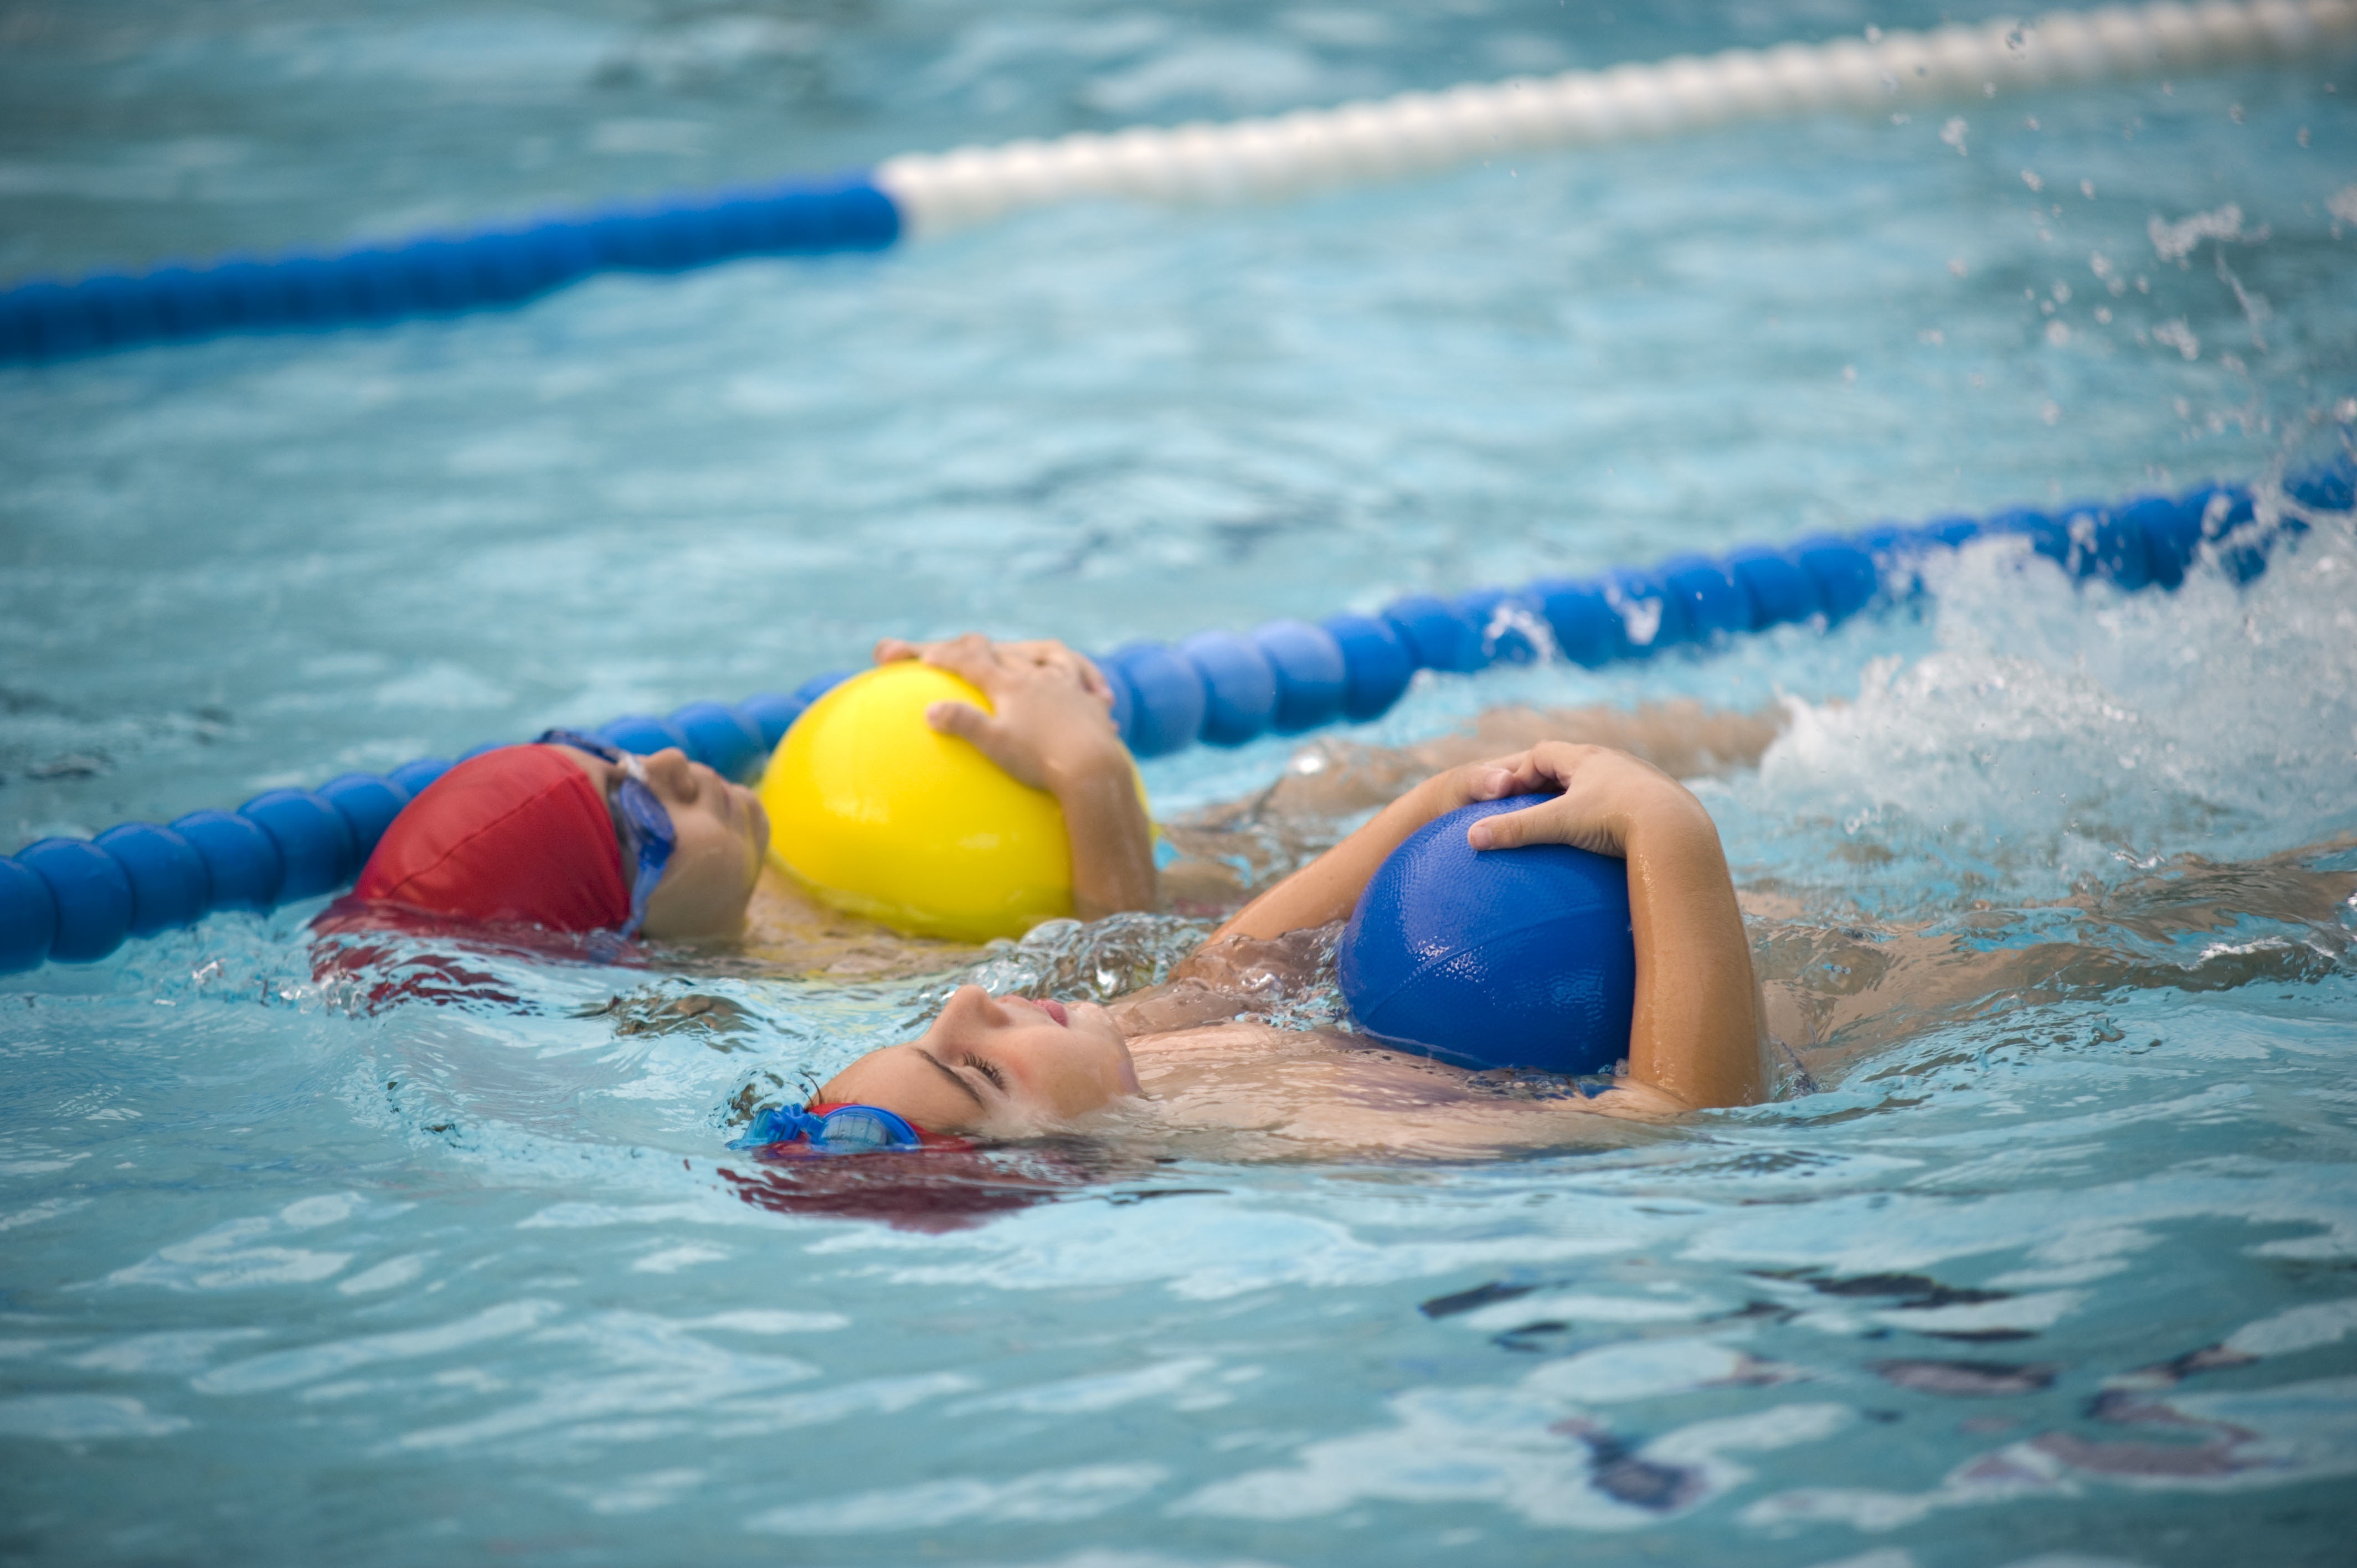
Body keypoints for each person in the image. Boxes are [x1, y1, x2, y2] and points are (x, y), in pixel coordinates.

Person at [781, 740, 1772, 1162]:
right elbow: (1672, 1119)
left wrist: (1440, 801)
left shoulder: (1115, 1062)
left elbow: (1236, 968)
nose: (964, 1002)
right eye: (978, 1070)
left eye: (929, 1032)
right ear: (1089, 1165)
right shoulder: (1326, 1139)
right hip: (1780, 1015)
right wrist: (1668, 830)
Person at [325, 634, 1156, 949]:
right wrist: (1092, 777)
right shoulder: (829, 999)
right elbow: (1135, 1003)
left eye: (616, 756)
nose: (669, 763)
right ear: (621, 936)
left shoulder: (777, 863)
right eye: (635, 810)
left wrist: (1010, 681)